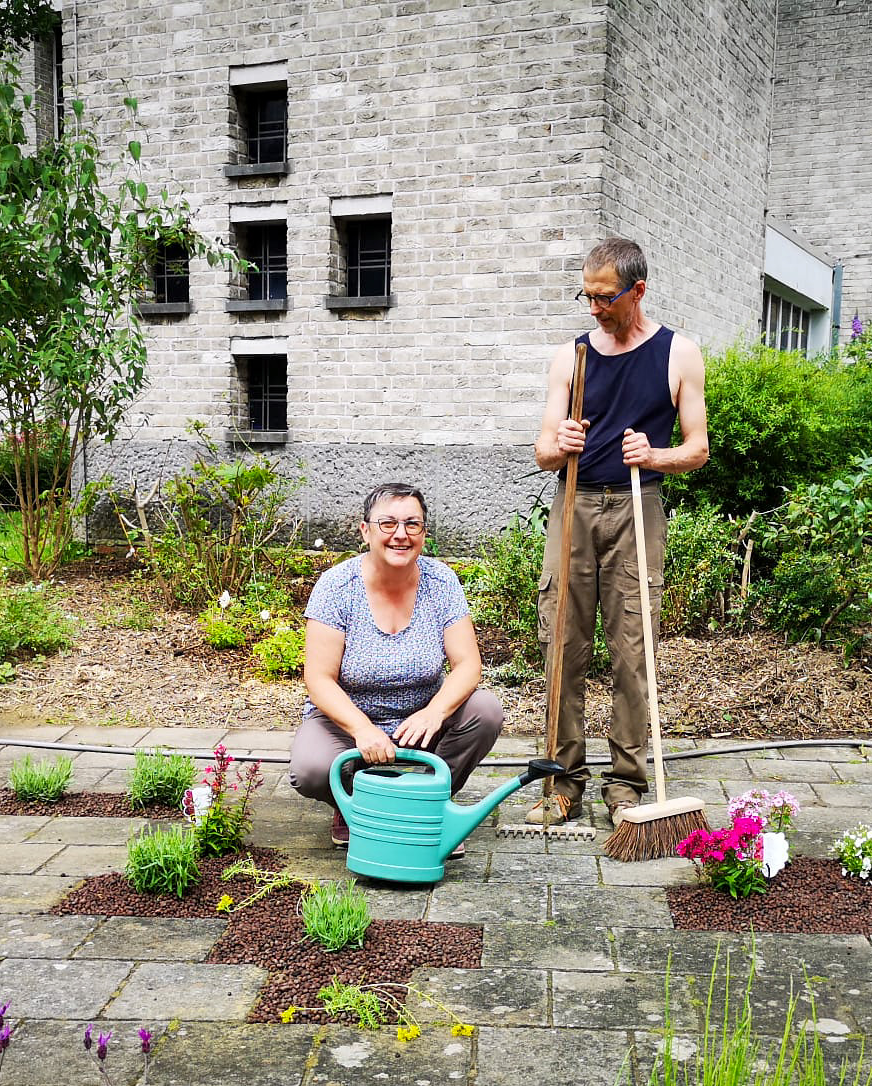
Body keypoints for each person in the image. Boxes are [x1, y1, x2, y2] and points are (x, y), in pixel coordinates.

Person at [526, 237, 709, 825]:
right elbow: (541, 450)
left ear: (639, 290)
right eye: (588, 295)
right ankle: (561, 782)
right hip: (574, 503)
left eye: (606, 296)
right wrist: (561, 447)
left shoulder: (679, 353)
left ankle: (626, 783)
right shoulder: (571, 357)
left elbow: (697, 449)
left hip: (638, 507)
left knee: (635, 650)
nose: (595, 306)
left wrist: (656, 454)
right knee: (562, 642)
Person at [289, 482, 504, 849]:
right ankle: (355, 800)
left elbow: (468, 664)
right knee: (311, 769)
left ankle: (426, 802)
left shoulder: (441, 581)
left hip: (418, 719)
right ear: (365, 530)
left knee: (486, 711)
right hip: (348, 720)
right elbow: (319, 678)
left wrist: (434, 713)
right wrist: (361, 729)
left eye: (412, 525)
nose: (400, 535)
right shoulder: (337, 586)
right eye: (387, 524)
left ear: (424, 532)